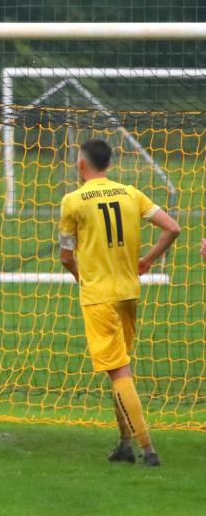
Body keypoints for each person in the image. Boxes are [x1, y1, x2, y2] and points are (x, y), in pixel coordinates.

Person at [58, 139, 181, 466]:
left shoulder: (72, 201)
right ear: (108, 164)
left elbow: (66, 257)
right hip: (128, 293)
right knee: (119, 367)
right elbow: (172, 228)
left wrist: (82, 278)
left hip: (99, 297)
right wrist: (148, 261)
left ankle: (148, 449)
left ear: (81, 165)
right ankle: (124, 443)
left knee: (118, 371)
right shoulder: (130, 193)